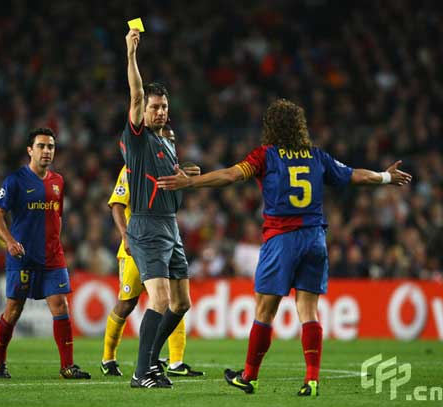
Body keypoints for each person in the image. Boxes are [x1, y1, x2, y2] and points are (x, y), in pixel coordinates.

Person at [157, 99, 412, 396]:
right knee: (308, 310)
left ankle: (249, 376)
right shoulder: (317, 156)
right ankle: (312, 380)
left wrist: (191, 183)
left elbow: (229, 175)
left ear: (271, 127)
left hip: (282, 239)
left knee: (265, 310)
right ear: (300, 127)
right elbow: (355, 174)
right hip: (315, 239)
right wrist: (385, 177)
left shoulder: (266, 156)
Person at [121, 29, 194, 389]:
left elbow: (170, 179)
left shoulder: (168, 141)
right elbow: (134, 93)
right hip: (147, 227)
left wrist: (185, 176)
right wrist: (131, 54)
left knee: (181, 303)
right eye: (154, 107)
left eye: (164, 106)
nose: (160, 112)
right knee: (161, 300)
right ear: (143, 110)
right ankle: (141, 372)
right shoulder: (137, 139)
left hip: (171, 226)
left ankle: (151, 361)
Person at [0, 127, 91, 380]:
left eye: (51, 147)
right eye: (41, 146)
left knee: (60, 305)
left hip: (52, 256)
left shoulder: (59, 181)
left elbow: (57, 216)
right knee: (13, 310)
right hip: (22, 256)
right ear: (29, 150)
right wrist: (10, 241)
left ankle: (67, 366)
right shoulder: (15, 181)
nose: (47, 151)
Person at [101, 156, 204, 378]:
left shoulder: (170, 169)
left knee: (174, 299)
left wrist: (187, 175)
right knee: (127, 303)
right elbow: (117, 205)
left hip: (163, 243)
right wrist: (125, 235)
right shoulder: (133, 168)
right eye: (166, 139)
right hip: (136, 244)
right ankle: (108, 358)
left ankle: (175, 362)